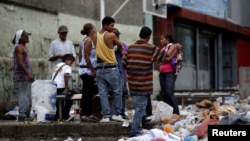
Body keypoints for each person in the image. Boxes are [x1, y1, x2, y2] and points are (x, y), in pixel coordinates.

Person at [122, 26, 168, 137]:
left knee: (140, 105)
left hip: (132, 83)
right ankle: (134, 131)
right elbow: (162, 59)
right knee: (139, 107)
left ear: (140, 35)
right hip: (143, 82)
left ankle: (141, 123)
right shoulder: (151, 48)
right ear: (148, 37)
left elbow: (124, 63)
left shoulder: (130, 47)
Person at [92, 16, 124, 122]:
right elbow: (120, 44)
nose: (113, 28)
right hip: (111, 67)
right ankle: (116, 113)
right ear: (105, 25)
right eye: (112, 25)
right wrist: (122, 52)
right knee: (117, 91)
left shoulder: (94, 36)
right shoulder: (111, 35)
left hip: (100, 68)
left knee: (103, 93)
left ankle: (105, 116)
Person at [78, 23, 99, 122]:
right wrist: (92, 70)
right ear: (90, 30)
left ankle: (88, 113)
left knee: (88, 93)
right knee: (87, 94)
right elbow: (86, 56)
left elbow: (80, 56)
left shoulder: (84, 41)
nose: (95, 30)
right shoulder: (89, 41)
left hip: (84, 69)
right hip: (87, 70)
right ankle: (86, 114)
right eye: (94, 28)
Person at [12, 29, 34, 122]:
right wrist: (28, 73)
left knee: (28, 96)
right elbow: (20, 62)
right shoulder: (19, 48)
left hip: (25, 76)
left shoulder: (24, 48)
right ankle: (22, 115)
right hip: (21, 76)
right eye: (25, 36)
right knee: (23, 96)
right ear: (20, 38)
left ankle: (26, 114)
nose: (27, 37)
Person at [159, 33, 182, 115]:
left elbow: (168, 56)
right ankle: (168, 112)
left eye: (162, 39)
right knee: (164, 93)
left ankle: (176, 112)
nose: (160, 41)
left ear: (167, 39)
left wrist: (163, 56)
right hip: (162, 73)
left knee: (169, 92)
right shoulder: (164, 48)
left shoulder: (173, 46)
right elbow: (158, 59)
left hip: (170, 72)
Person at [52, 54, 75, 121]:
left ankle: (58, 117)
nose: (71, 64)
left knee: (59, 103)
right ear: (67, 60)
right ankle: (65, 116)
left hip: (54, 86)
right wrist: (66, 87)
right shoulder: (67, 67)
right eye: (71, 62)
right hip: (61, 86)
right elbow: (65, 75)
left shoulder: (58, 65)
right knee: (69, 100)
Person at [113, 28, 129, 119]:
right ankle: (116, 112)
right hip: (113, 73)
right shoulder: (110, 47)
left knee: (122, 93)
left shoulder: (123, 45)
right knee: (116, 93)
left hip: (122, 72)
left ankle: (121, 111)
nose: (117, 37)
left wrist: (125, 56)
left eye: (118, 36)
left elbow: (128, 57)